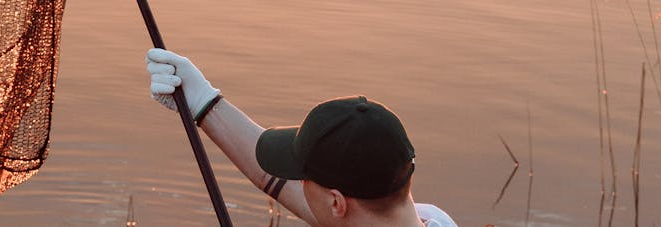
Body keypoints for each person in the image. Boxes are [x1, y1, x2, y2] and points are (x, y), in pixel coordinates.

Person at [145, 48, 458, 227]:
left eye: (304, 176)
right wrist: (204, 104)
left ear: (336, 202)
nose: (297, 183)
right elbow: (279, 183)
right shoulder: (433, 220)